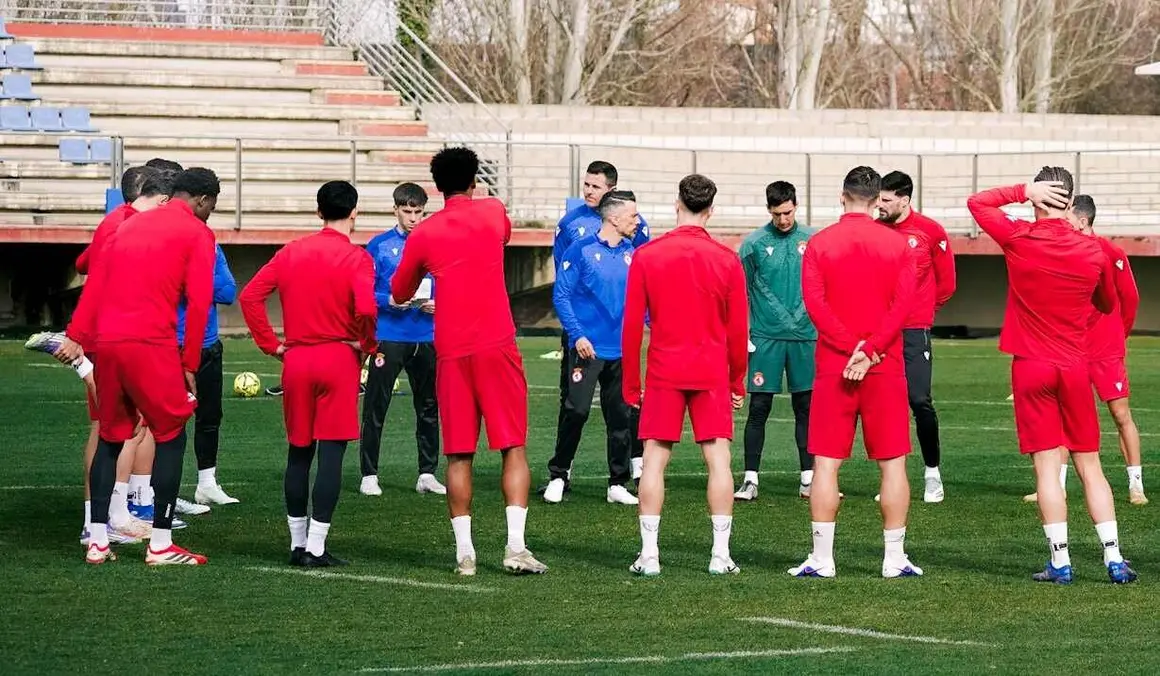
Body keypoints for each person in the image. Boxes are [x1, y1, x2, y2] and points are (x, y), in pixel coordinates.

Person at [966, 168, 1136, 584]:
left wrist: (1020, 191)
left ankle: (1060, 562)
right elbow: (1108, 301)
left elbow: (977, 203)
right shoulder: (1092, 249)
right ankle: (1113, 558)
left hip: (1030, 365)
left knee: (1046, 469)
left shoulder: (1019, 237)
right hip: (1075, 364)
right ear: (1070, 200)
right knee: (1090, 464)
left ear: (1038, 197)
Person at [391, 147, 547, 576]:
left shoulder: (423, 232)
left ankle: (465, 554)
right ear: (475, 181)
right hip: (497, 344)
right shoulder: (493, 211)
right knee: (512, 445)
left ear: (436, 187)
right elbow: (503, 236)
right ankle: (515, 546)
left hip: (453, 351)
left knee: (459, 453)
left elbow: (401, 290)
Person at [55, 167, 220, 566]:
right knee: (172, 432)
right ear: (202, 200)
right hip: (150, 343)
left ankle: (97, 540)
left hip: (107, 344)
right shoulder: (198, 233)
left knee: (112, 436)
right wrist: (190, 361)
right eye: (213, 204)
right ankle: (160, 543)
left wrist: (76, 334)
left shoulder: (127, 226)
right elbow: (200, 302)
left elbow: (93, 284)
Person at [788, 166, 921, 580]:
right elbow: (903, 306)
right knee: (893, 464)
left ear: (843, 196)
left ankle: (823, 558)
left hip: (835, 364)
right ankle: (893, 558)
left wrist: (852, 348)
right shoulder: (899, 245)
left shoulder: (820, 243)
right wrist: (872, 349)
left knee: (825, 464)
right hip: (884, 365)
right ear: (878, 199)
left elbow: (815, 305)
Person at [240, 180, 377, 567]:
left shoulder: (291, 253)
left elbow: (250, 296)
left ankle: (296, 544)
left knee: (299, 452)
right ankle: (317, 546)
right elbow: (366, 309)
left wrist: (272, 345)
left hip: (297, 359)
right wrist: (365, 345)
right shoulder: (357, 258)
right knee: (331, 454)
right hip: (337, 359)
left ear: (318, 212)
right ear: (354, 212)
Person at [622, 174, 748, 577]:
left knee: (654, 461)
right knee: (719, 461)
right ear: (710, 209)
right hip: (710, 369)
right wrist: (737, 379)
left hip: (664, 368)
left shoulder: (647, 255)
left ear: (677, 202)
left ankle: (650, 555)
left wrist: (630, 383)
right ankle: (720, 555)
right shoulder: (726, 258)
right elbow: (738, 329)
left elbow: (630, 327)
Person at [551, 161, 650, 490]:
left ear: (610, 190)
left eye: (595, 186)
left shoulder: (634, 240)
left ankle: (623, 476)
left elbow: (643, 287)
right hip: (583, 337)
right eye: (587, 184)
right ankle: (561, 472)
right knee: (575, 407)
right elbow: (564, 286)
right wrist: (576, 332)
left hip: (621, 342)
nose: (588, 191)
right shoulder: (573, 230)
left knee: (622, 411)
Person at [359, 182, 445, 498]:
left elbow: (452, 284)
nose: (413, 218)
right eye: (407, 212)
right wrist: (388, 300)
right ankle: (369, 474)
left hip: (427, 335)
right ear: (395, 209)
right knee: (376, 406)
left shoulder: (437, 245)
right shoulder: (379, 246)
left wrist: (442, 303)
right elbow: (364, 291)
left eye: (418, 212)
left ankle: (426, 472)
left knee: (429, 405)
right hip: (390, 336)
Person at [735, 181, 817, 502]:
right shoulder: (753, 244)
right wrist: (742, 334)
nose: (783, 219)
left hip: (806, 338)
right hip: (765, 339)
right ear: (768, 210)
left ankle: (808, 478)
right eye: (777, 213)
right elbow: (737, 292)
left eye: (788, 212)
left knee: (805, 407)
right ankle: (750, 479)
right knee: (759, 407)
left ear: (796, 206)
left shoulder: (813, 240)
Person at [878, 171, 957, 503]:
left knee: (919, 400)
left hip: (913, 329)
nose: (878, 205)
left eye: (885, 200)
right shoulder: (877, 232)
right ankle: (893, 482)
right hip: (883, 331)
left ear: (904, 200)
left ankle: (932, 473)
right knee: (887, 403)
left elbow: (947, 283)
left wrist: (922, 311)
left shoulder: (930, 231)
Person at [1074, 196, 1145, 504]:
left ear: (1082, 220)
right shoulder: (1064, 251)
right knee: (1066, 416)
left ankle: (1136, 484)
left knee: (1120, 414)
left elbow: (1130, 298)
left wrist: (1119, 335)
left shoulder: (1111, 252)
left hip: (1105, 349)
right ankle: (1055, 483)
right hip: (1072, 349)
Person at [177, 240, 239, 507]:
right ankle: (159, 490)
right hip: (170, 344)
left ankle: (207, 484)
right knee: (168, 422)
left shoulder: (210, 245)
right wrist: (200, 282)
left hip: (208, 344)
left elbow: (227, 290)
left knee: (210, 416)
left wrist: (192, 284)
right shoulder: (169, 243)